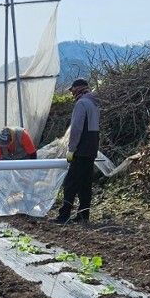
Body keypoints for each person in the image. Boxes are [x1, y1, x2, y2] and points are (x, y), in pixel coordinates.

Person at [56, 78, 101, 224]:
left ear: (77, 89)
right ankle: (83, 214)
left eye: (72, 90)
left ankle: (64, 215)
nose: (72, 94)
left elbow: (76, 129)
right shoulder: (94, 104)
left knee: (70, 183)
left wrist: (71, 149)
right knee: (85, 184)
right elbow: (93, 129)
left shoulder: (81, 103)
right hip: (91, 149)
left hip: (80, 150)